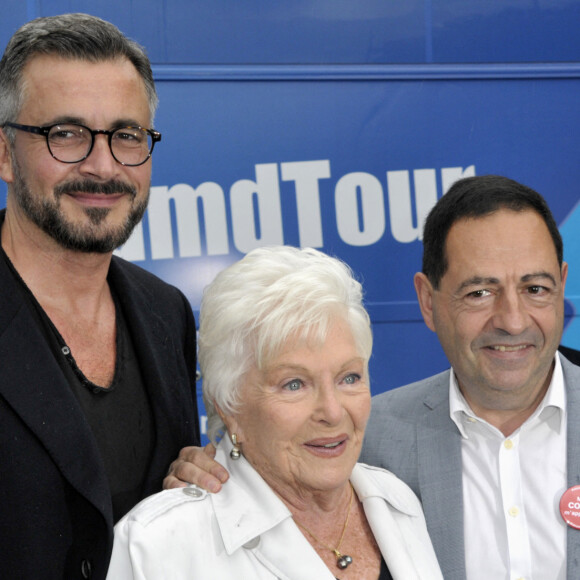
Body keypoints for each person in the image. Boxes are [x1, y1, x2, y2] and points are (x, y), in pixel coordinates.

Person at [167, 175, 580, 580]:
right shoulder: (358, 440)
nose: (511, 320)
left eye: (536, 288)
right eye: (479, 293)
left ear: (563, 285)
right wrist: (209, 476)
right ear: (427, 301)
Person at [0, 13, 199, 580]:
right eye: (66, 134)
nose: (103, 165)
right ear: (5, 154)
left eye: (126, 135)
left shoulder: (167, 312)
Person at [108, 246, 443, 579]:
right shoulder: (157, 545)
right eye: (294, 384)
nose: (332, 410)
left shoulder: (397, 501)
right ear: (230, 406)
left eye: (349, 378)